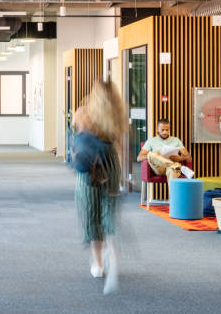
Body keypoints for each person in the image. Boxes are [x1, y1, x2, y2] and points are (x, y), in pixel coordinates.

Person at [72, 81, 127, 294]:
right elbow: (120, 145)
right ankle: (111, 246)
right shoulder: (117, 116)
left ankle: (98, 265)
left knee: (90, 212)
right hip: (111, 166)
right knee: (108, 211)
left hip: (89, 167)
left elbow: (79, 137)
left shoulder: (84, 112)